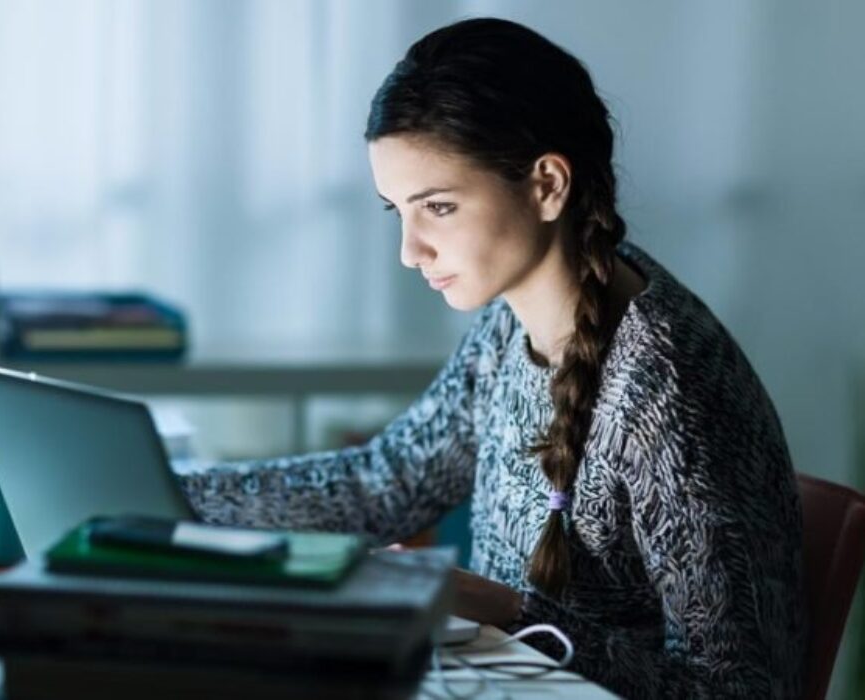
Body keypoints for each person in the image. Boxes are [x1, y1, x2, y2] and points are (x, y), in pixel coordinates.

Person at [176, 17, 803, 698]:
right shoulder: (519, 321)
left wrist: (510, 611)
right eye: (399, 212)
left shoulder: (667, 396)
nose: (411, 252)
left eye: (438, 208)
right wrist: (170, 496)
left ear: (546, 186)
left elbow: (739, 691)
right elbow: (387, 483)